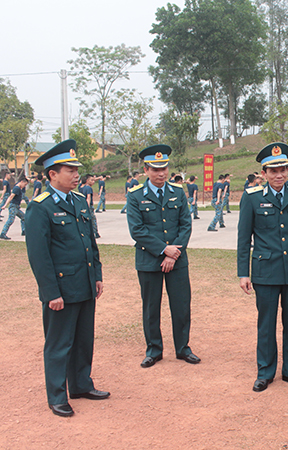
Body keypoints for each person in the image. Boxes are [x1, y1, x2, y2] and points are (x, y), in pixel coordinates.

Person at [25, 139, 108, 417]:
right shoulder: (41, 207)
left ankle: (81, 385)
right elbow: (39, 256)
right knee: (60, 344)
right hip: (61, 289)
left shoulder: (78, 201)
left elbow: (90, 244)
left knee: (84, 340)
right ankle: (57, 396)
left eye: (77, 170)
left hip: (84, 284)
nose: (76, 175)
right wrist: (51, 293)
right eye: (70, 171)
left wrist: (96, 275)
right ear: (52, 174)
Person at [237, 142, 288, 393]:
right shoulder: (252, 198)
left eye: (282, 169)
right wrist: (243, 273)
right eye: (273, 171)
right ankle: (265, 372)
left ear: (287, 170)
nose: (278, 175)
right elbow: (243, 238)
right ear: (263, 173)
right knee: (266, 323)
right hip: (265, 271)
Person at [126, 144, 200, 369]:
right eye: (156, 169)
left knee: (181, 305)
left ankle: (183, 348)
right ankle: (154, 349)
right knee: (151, 307)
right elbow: (137, 230)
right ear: (146, 170)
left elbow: (185, 225)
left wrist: (173, 253)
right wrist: (163, 250)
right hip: (149, 261)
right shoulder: (136, 195)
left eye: (164, 168)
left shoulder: (177, 192)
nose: (161, 174)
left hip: (177, 260)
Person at [80, 175, 100, 239]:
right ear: (87, 181)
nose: (93, 182)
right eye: (91, 180)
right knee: (92, 219)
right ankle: (95, 233)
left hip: (82, 205)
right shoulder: (88, 188)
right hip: (88, 206)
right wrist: (87, 206)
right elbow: (88, 198)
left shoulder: (80, 187)